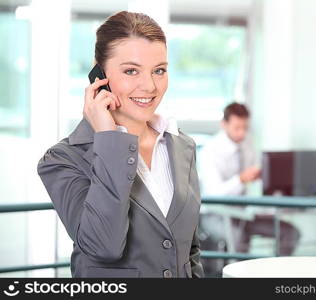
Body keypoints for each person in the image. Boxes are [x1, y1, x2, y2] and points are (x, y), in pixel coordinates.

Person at [37, 11, 204, 278]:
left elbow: (190, 252)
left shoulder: (182, 146)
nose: (150, 86)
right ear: (99, 76)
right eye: (131, 71)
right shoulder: (62, 160)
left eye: (159, 70)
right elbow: (103, 246)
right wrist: (109, 138)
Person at [199, 102, 299, 255]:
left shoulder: (248, 143)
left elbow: (253, 176)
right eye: (237, 128)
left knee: (289, 233)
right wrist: (241, 179)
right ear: (224, 125)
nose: (242, 133)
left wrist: (263, 176)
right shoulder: (209, 151)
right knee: (239, 237)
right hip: (215, 215)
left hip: (244, 213)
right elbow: (214, 194)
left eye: (245, 128)